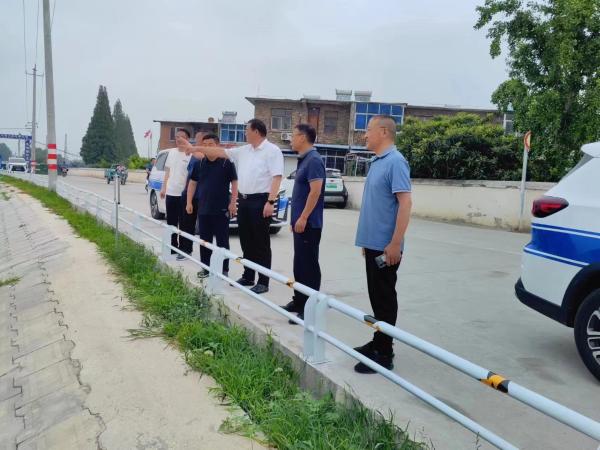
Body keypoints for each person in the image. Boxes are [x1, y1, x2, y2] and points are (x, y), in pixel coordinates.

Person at [177, 118, 283, 294]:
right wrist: (194, 148)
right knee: (246, 241)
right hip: (245, 200)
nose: (245, 133)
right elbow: (219, 151)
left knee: (261, 242)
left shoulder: (272, 151)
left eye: (247, 130)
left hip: (261, 201)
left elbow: (277, 177)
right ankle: (248, 276)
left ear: (256, 131)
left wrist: (270, 201)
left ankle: (263, 281)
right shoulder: (244, 150)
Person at [353, 115, 412, 374]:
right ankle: (378, 341)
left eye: (368, 130)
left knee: (385, 298)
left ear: (384, 131)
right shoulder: (378, 162)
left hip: (387, 247)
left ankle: (385, 353)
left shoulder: (396, 162)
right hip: (373, 244)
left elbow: (405, 203)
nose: (365, 135)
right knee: (377, 297)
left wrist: (395, 243)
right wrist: (367, 242)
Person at [282, 124, 325, 324]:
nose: (291, 139)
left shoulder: (314, 160)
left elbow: (315, 192)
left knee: (309, 266)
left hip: (309, 224)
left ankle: (310, 308)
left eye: (293, 136)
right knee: (299, 265)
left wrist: (304, 217)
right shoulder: (304, 159)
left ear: (302, 137)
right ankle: (299, 301)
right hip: (300, 222)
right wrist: (296, 219)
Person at [186, 133, 238, 278]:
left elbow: (234, 182)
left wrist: (233, 203)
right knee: (204, 241)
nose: (207, 148)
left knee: (222, 242)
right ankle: (205, 268)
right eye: (205, 145)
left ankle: (224, 269)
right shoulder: (199, 163)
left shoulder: (226, 162)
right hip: (203, 208)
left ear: (217, 145)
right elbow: (192, 183)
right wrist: (189, 202)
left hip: (221, 209)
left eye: (211, 145)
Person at [160, 128, 191, 260]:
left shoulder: (190, 154)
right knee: (171, 222)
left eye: (181, 137)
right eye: (177, 137)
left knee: (184, 223)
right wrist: (163, 188)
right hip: (171, 192)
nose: (178, 139)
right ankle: (172, 246)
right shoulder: (171, 152)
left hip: (183, 194)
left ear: (187, 139)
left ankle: (184, 249)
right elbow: (167, 172)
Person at [179, 132, 204, 257]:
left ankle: (204, 256)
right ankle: (185, 249)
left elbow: (200, 156)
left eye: (198, 139)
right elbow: (189, 175)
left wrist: (186, 143)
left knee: (201, 227)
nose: (196, 140)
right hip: (188, 194)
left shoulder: (204, 154)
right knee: (185, 223)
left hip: (200, 196)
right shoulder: (194, 155)